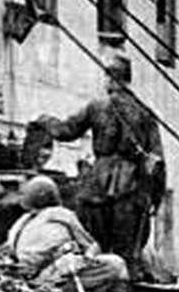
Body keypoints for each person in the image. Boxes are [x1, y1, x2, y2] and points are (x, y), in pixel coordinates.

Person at [36, 55, 165, 279]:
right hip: (131, 189)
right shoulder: (145, 113)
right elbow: (157, 161)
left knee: (94, 248)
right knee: (127, 255)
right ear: (128, 79)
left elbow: (65, 131)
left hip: (96, 187)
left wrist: (45, 120)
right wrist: (155, 198)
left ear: (109, 79)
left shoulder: (96, 107)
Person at [4, 176, 129, 292]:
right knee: (117, 264)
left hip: (26, 279)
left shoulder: (21, 222)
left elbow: (9, 252)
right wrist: (87, 255)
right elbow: (90, 245)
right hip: (53, 276)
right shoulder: (61, 214)